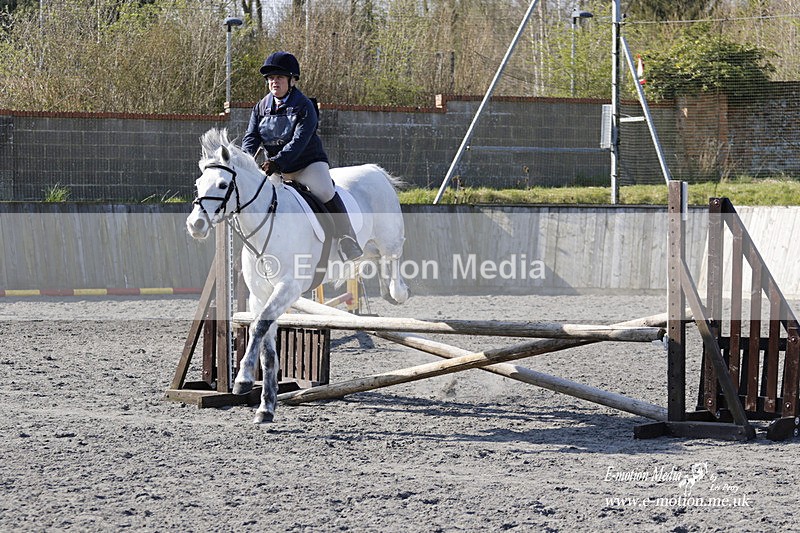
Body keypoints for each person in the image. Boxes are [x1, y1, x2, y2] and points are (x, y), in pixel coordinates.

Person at [241, 51, 363, 261]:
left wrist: (277, 162)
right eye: (271, 78)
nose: (274, 82)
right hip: (276, 168)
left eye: (279, 77)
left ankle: (347, 238)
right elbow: (251, 137)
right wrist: (244, 161)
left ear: (292, 80)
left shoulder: (304, 105)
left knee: (325, 191)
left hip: (307, 164)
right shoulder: (260, 108)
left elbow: (299, 141)